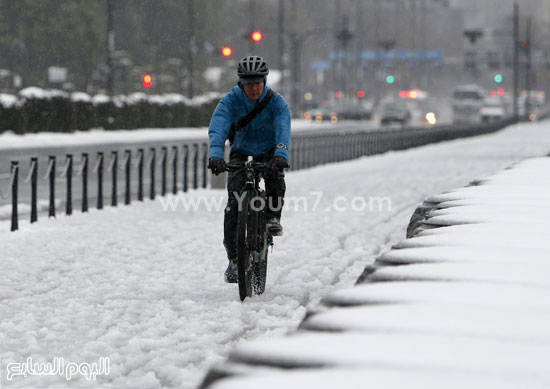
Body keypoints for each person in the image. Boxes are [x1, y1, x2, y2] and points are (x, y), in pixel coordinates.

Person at [208, 55, 291, 283]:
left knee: (275, 178)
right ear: (240, 83)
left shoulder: (276, 102)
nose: (253, 88)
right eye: (248, 84)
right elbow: (218, 126)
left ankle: (273, 217)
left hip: (269, 151)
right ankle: (234, 260)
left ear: (264, 82)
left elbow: (283, 127)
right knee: (233, 206)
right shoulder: (230, 101)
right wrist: (216, 155)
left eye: (257, 83)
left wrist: (281, 154)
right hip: (241, 151)